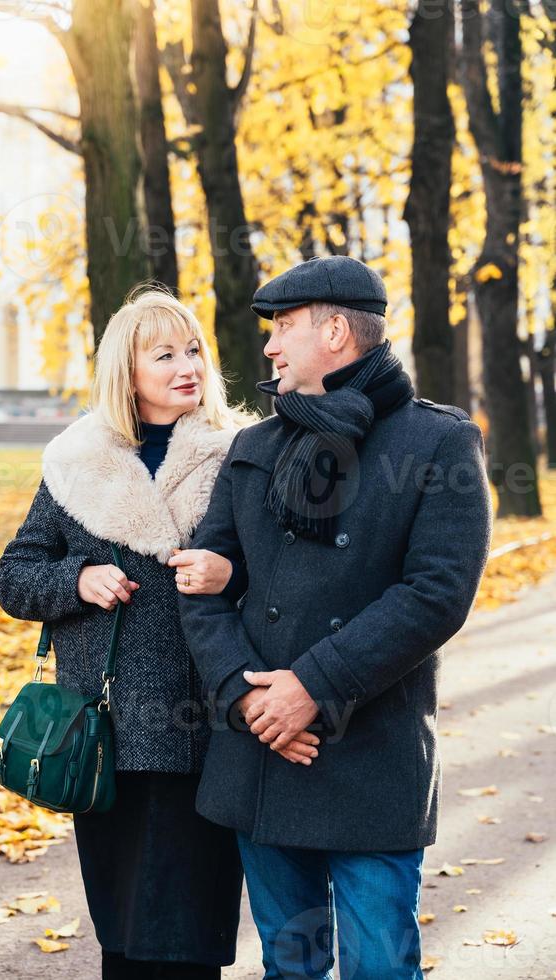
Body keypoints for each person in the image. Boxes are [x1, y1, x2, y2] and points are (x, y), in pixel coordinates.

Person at [178, 256, 493, 980]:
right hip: (264, 753)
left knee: (381, 970)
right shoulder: (256, 447)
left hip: (369, 757)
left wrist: (310, 687)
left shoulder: (437, 442)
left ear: (334, 333)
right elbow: (204, 585)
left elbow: (436, 594)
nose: (269, 347)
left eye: (283, 328)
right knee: (291, 971)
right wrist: (249, 697)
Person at [0, 287, 318, 979]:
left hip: (213, 729)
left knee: (189, 936)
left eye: (194, 349)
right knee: (124, 934)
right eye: (164, 353)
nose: (187, 365)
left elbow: (291, 579)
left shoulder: (245, 454)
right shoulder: (76, 463)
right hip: (109, 736)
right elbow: (15, 576)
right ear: (127, 372)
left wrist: (229, 571)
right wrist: (75, 581)